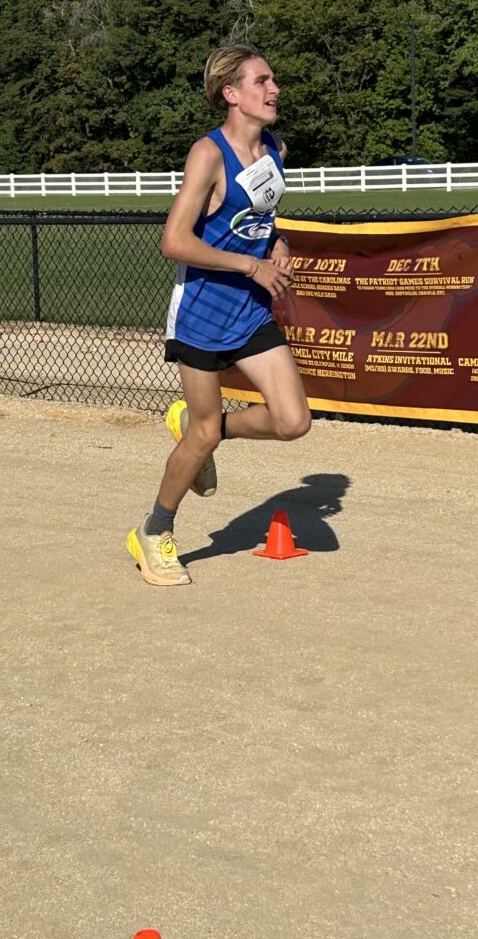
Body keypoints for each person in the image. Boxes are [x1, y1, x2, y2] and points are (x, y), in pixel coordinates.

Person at [126, 43, 311, 587]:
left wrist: (277, 246)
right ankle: (154, 533)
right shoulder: (208, 154)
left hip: (251, 313)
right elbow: (174, 241)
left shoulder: (276, 147)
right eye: (261, 81)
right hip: (202, 316)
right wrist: (250, 268)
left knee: (293, 422)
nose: (273, 89)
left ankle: (200, 429)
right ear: (231, 95)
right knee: (201, 437)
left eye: (272, 80)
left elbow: (260, 220)